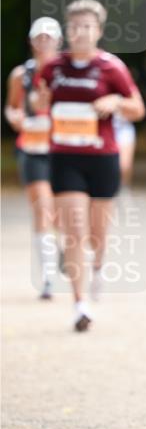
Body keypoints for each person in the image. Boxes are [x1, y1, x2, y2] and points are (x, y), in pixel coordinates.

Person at [33, 0, 146, 331]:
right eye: (75, 27)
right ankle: (80, 304)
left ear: (98, 31)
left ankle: (98, 265)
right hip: (65, 157)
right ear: (67, 30)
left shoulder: (112, 68)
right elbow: (39, 102)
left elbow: (137, 108)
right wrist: (39, 101)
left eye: (87, 27)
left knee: (97, 233)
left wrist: (116, 101)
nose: (80, 33)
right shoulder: (53, 68)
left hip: (102, 158)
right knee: (73, 231)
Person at [4, 17, 62, 299]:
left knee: (61, 214)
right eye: (39, 38)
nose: (44, 43)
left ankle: (62, 252)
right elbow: (12, 108)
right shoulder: (20, 75)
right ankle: (48, 276)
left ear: (58, 41)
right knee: (42, 209)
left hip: (63, 149)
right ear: (31, 41)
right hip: (32, 148)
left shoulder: (66, 72)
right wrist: (15, 118)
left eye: (49, 37)